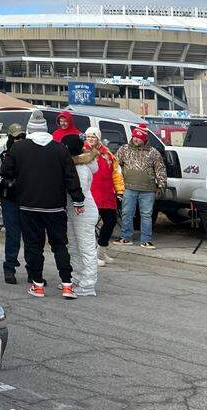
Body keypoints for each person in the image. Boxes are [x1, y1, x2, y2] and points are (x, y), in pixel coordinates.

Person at [1, 109, 85, 299]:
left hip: (28, 204)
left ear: (29, 129)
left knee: (33, 246)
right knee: (60, 245)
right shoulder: (60, 148)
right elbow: (71, 177)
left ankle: (37, 285)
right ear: (46, 129)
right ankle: (67, 285)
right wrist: (78, 200)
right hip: (55, 206)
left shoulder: (19, 148)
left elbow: (6, 171)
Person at [113, 125, 166, 249]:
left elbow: (160, 169)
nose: (136, 139)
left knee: (146, 215)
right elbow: (115, 166)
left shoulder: (153, 152)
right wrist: (116, 184)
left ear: (144, 138)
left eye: (139, 137)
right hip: (128, 188)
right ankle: (126, 237)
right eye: (134, 137)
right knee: (126, 213)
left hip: (148, 190)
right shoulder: (124, 149)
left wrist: (161, 186)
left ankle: (146, 240)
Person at [0, 122, 25, 284]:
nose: (19, 139)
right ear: (10, 137)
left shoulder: (29, 150)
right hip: (9, 198)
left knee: (31, 235)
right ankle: (9, 268)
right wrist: (5, 182)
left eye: (22, 136)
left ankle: (34, 270)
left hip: (28, 197)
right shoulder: (0, 152)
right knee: (13, 234)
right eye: (16, 137)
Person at [62, 134, 99, 296]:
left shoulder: (81, 168)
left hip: (83, 211)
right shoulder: (73, 165)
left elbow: (80, 191)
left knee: (86, 248)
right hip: (73, 210)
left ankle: (88, 284)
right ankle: (76, 277)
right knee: (74, 247)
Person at [83, 128, 123, 266]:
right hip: (90, 194)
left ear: (98, 138)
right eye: (88, 137)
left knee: (111, 221)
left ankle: (101, 251)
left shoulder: (108, 153)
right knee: (90, 225)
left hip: (107, 194)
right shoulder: (83, 152)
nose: (90, 139)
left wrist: (120, 191)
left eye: (93, 137)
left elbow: (116, 173)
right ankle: (91, 255)